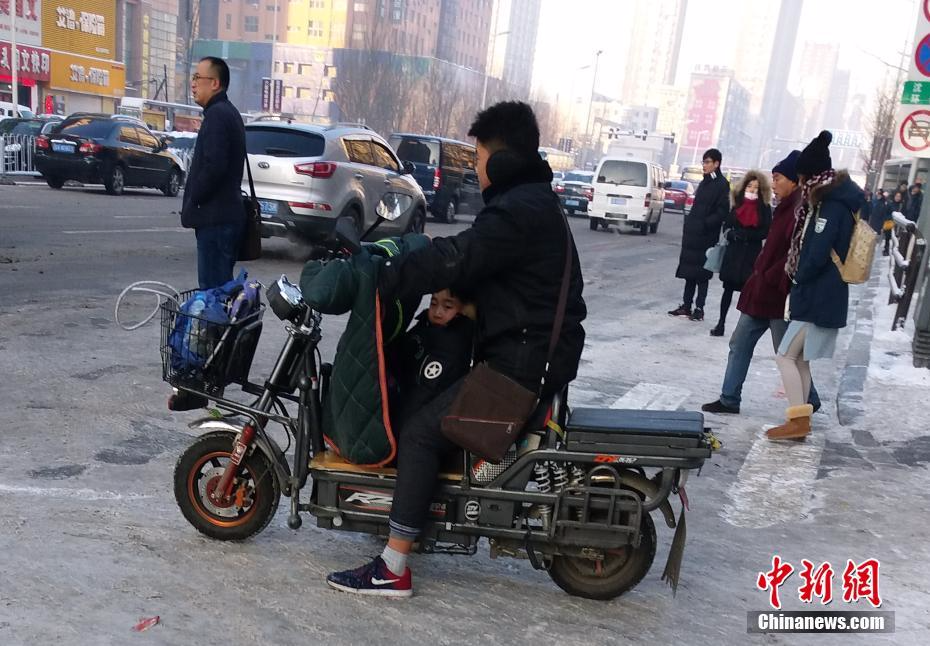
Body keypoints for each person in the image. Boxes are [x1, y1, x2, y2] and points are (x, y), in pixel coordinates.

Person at [325, 101, 586, 597]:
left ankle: (393, 565)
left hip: (522, 365)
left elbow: (461, 256)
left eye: (479, 155)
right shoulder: (533, 202)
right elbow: (508, 280)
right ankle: (416, 518)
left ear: (503, 160)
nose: (476, 165)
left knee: (422, 432)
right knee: (426, 400)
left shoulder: (518, 211)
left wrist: (389, 274)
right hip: (532, 351)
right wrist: (465, 306)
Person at [702, 151, 820, 415]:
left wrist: (769, 276)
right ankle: (729, 398)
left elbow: (794, 253)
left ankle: (811, 399)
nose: (773, 183)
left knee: (788, 355)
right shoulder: (786, 207)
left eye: (777, 178)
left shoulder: (798, 210)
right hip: (760, 294)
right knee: (739, 344)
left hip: (777, 297)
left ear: (793, 180)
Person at [767, 131, 863, 441]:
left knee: (785, 355)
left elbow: (817, 252)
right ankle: (800, 420)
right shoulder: (828, 201)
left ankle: (797, 420)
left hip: (820, 296)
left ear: (812, 176)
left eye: (803, 176)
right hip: (821, 295)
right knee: (799, 358)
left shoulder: (831, 206)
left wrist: (798, 276)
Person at [181, 56, 247, 289]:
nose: (193, 83)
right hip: (222, 217)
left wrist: (194, 197)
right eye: (193, 77)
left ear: (215, 83)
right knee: (220, 292)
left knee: (213, 296)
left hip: (216, 219)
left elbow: (214, 166)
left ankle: (220, 328)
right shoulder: (226, 112)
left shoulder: (218, 115)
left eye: (198, 77)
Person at [390, 288, 475, 426]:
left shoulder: (453, 344)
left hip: (415, 418)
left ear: (464, 310)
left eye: (447, 306)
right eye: (433, 303)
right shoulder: (425, 326)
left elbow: (423, 395)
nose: (437, 312)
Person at [669, 148, 730, 322]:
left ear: (716, 164)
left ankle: (699, 308)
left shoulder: (722, 184)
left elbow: (722, 211)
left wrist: (705, 224)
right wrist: (690, 224)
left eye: (707, 162)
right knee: (689, 273)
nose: (704, 165)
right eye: (703, 162)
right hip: (693, 235)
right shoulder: (704, 182)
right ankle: (686, 305)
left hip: (706, 237)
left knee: (702, 275)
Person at [710, 171, 772, 337]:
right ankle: (721, 323)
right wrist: (731, 234)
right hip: (734, 253)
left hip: (751, 255)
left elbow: (766, 230)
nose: (752, 190)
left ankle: (741, 330)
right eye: (750, 186)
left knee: (748, 293)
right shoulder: (737, 203)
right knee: (727, 290)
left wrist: (748, 236)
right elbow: (727, 225)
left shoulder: (764, 208)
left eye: (756, 188)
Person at [884, 190, 904, 256]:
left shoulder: (901, 205)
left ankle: (894, 251)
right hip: (889, 222)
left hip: (897, 225)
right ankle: (886, 250)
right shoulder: (890, 203)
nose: (898, 198)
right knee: (887, 238)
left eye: (899, 196)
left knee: (895, 238)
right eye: (897, 196)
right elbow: (885, 213)